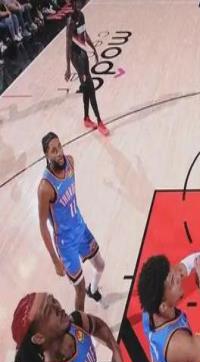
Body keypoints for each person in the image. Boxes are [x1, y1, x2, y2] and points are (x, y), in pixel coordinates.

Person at [38, 132, 106, 311]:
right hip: (65, 243)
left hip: (81, 228)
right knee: (79, 291)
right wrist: (55, 260)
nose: (59, 152)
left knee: (100, 265)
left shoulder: (70, 162)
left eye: (59, 146)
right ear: (47, 155)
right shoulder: (45, 187)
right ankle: (79, 326)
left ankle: (93, 289)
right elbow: (43, 226)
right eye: (53, 150)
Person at [65, 0, 109, 135]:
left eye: (75, 2)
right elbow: (68, 46)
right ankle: (99, 121)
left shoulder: (81, 15)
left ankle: (86, 118)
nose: (74, 5)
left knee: (86, 87)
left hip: (83, 53)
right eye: (71, 3)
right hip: (75, 57)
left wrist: (94, 48)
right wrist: (68, 68)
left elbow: (85, 34)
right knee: (90, 87)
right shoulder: (70, 23)